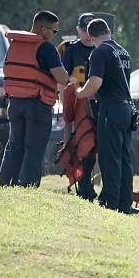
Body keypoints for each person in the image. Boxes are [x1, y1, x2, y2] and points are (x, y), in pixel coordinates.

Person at [74, 18, 139, 215]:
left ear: (89, 35)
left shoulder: (99, 52)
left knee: (109, 157)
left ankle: (109, 202)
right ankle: (124, 202)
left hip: (110, 108)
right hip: (127, 109)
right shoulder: (123, 51)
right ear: (109, 31)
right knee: (124, 158)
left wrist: (79, 93)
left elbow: (94, 83)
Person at [0, 10, 70, 187]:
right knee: (34, 148)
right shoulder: (46, 47)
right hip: (37, 104)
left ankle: (6, 184)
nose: (54, 35)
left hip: (15, 102)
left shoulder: (16, 44)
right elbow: (61, 78)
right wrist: (70, 78)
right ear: (44, 30)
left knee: (14, 145)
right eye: (54, 31)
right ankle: (28, 185)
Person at [60, 13, 98, 201]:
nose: (87, 34)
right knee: (81, 145)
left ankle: (88, 184)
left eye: (90, 29)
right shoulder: (72, 50)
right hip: (79, 104)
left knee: (96, 146)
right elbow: (65, 81)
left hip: (98, 103)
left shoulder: (101, 48)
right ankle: (83, 185)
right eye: (84, 29)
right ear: (78, 29)